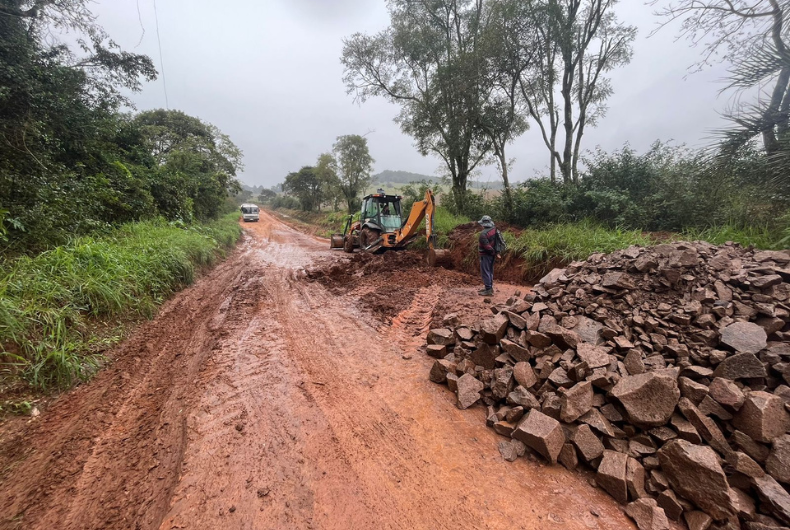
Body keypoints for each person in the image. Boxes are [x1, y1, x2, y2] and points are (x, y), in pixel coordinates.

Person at [478, 215, 499, 296]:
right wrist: (495, 253)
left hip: (486, 255)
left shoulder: (483, 234)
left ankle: (488, 290)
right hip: (492, 255)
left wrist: (492, 252)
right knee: (490, 271)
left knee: (485, 271)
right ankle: (489, 288)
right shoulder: (494, 230)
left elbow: (487, 246)